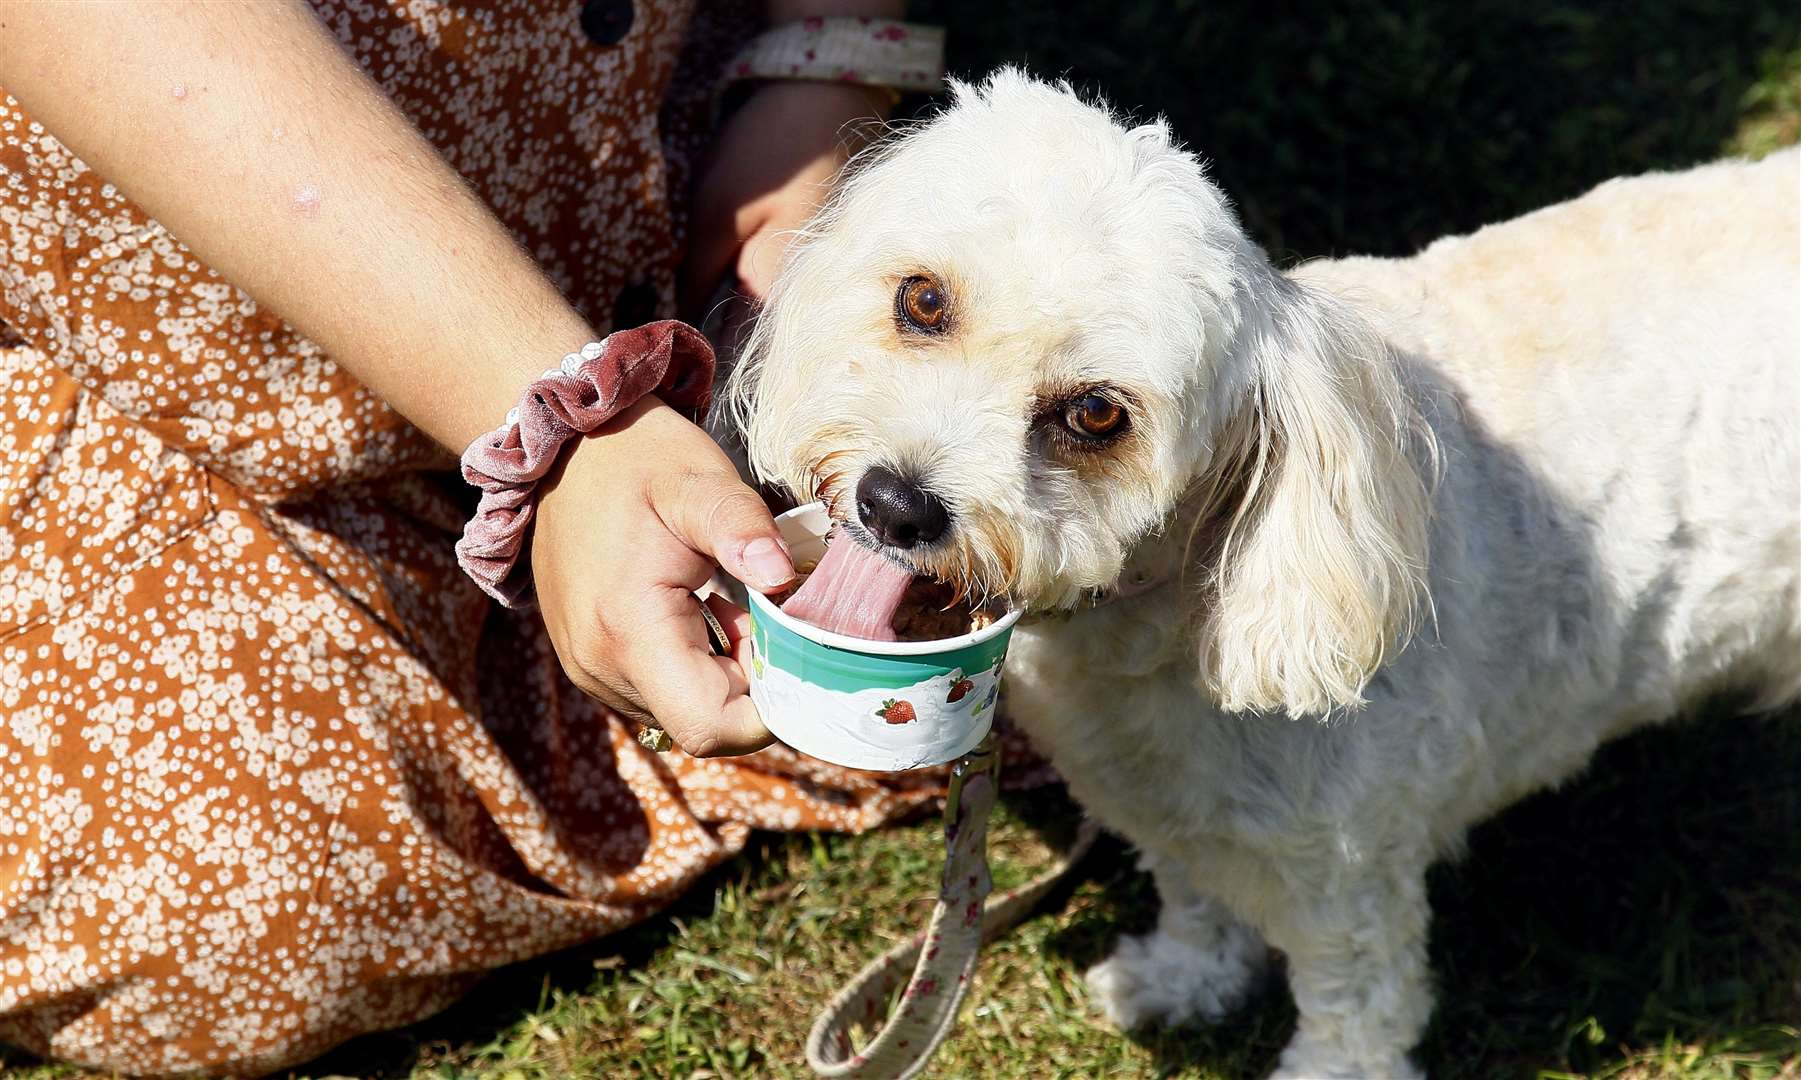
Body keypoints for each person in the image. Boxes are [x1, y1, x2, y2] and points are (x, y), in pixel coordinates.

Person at [0, 1, 982, 1073]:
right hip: (202, 334)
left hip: (659, 168)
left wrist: (816, 76)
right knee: (213, 912)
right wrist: (561, 422)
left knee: (1041, 566)